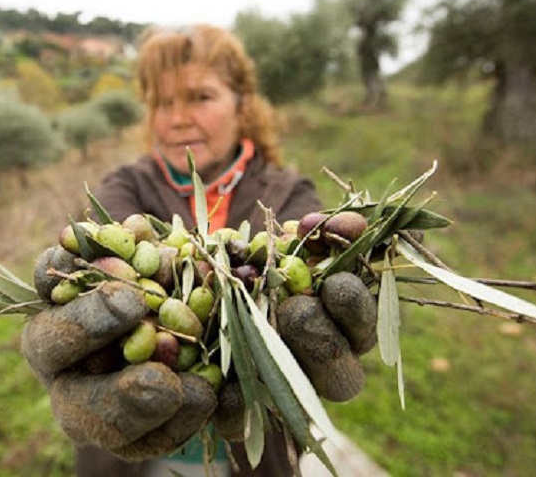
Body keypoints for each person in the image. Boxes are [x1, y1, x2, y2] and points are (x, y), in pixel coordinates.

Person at [21, 24, 376, 476]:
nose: (177, 118)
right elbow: (99, 256)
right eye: (162, 102)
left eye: (199, 97)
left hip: (252, 455)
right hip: (129, 458)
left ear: (242, 105)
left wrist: (366, 259)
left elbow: (307, 259)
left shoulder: (286, 193)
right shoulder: (125, 186)